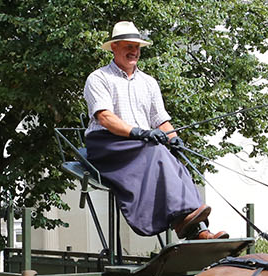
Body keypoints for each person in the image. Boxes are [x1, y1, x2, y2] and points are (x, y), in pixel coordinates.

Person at [83, 21, 228, 240]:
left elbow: (161, 121)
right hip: (107, 144)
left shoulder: (149, 82)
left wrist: (174, 139)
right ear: (114, 47)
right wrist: (139, 133)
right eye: (128, 46)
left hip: (139, 144)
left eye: (137, 47)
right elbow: (105, 118)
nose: (134, 51)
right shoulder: (99, 78)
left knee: (176, 161)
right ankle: (183, 220)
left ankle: (198, 229)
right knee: (157, 153)